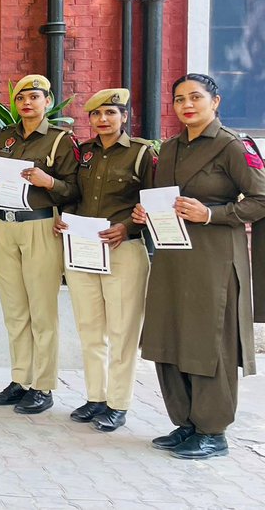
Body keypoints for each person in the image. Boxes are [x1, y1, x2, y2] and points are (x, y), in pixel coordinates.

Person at [134, 74, 265, 459]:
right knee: (171, 334)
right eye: (178, 99)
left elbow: (261, 198)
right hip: (173, 256)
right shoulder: (170, 147)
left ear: (216, 101)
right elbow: (165, 197)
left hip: (214, 257)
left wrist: (212, 213)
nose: (186, 105)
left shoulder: (233, 146)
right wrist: (146, 212)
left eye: (195, 97)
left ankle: (213, 430)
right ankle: (186, 422)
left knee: (210, 342)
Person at [54, 88, 154, 432]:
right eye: (96, 114)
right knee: (89, 329)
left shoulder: (141, 154)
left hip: (123, 250)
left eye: (111, 113)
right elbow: (73, 193)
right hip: (83, 248)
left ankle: (119, 403)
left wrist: (126, 227)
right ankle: (95, 397)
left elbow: (153, 203)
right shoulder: (83, 153)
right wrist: (64, 215)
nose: (103, 120)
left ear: (124, 117)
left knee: (122, 330)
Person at [0, 74, 79, 415]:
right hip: (5, 226)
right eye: (21, 97)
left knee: (42, 310)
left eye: (34, 97)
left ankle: (43, 385)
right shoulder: (5, 137)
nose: (27, 102)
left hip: (40, 225)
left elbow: (74, 189)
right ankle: (20, 378)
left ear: (48, 102)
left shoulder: (60, 141)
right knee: (14, 309)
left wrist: (49, 181)